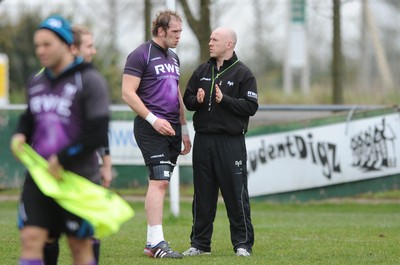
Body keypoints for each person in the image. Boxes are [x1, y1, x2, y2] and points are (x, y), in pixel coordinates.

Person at [11, 14, 110, 265]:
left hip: (78, 178)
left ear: (67, 45)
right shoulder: (37, 81)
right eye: (37, 45)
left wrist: (64, 158)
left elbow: (97, 132)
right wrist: (20, 134)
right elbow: (29, 117)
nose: (40, 51)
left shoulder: (89, 79)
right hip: (41, 178)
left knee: (80, 248)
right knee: (31, 238)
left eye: (47, 44)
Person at [182, 27, 258, 257]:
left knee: (236, 195)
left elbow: (251, 106)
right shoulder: (201, 70)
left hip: (230, 142)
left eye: (215, 39)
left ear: (229, 44)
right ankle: (200, 244)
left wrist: (224, 100)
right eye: (210, 38)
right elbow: (187, 99)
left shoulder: (243, 74)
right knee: (203, 195)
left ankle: (243, 244)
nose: (210, 42)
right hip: (203, 140)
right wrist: (197, 99)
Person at [121, 10, 191, 259]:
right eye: (175, 32)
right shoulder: (141, 54)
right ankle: (157, 242)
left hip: (172, 128)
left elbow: (176, 94)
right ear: (160, 31)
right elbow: (128, 93)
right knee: (159, 182)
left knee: (158, 183)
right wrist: (153, 120)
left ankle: (151, 242)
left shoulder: (174, 58)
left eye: (181, 32)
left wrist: (184, 129)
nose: (179, 37)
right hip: (150, 128)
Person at [42, 24, 111, 265]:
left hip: (84, 169)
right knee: (48, 234)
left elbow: (99, 128)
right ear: (72, 49)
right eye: (89, 46)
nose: (93, 51)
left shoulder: (91, 81)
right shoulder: (45, 80)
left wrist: (106, 162)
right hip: (51, 170)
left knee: (87, 231)